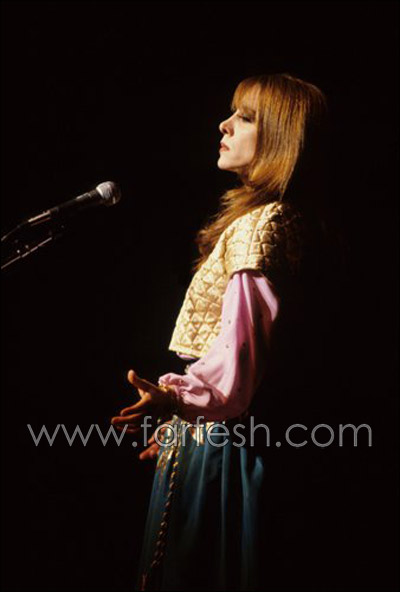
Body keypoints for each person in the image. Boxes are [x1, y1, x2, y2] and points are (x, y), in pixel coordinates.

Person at [111, 73, 329, 591]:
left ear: (281, 137)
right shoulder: (291, 220)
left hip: (232, 447)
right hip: (230, 432)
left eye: (245, 118)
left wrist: (177, 399)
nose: (224, 125)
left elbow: (240, 365)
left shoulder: (264, 225)